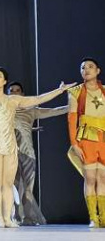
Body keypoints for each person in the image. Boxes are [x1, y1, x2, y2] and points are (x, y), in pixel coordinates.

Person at [0, 66, 72, 228]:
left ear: (4, 81)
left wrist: (59, 90)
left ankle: (8, 218)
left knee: (8, 183)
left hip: (11, 146)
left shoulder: (13, 100)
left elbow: (38, 99)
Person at [6, 81, 68, 225]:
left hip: (27, 152)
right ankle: (14, 217)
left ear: (22, 94)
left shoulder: (32, 110)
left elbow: (54, 111)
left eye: (17, 90)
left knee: (28, 187)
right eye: (11, 90)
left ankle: (28, 217)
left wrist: (77, 106)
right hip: (8, 152)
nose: (14, 92)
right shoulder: (3, 110)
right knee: (12, 186)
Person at [67, 58, 105, 227]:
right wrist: (74, 144)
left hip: (103, 139)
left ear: (98, 71)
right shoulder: (75, 92)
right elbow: (71, 119)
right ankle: (93, 218)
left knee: (102, 178)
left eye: (90, 67)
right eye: (83, 67)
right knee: (90, 178)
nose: (86, 70)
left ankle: (103, 217)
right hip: (87, 138)